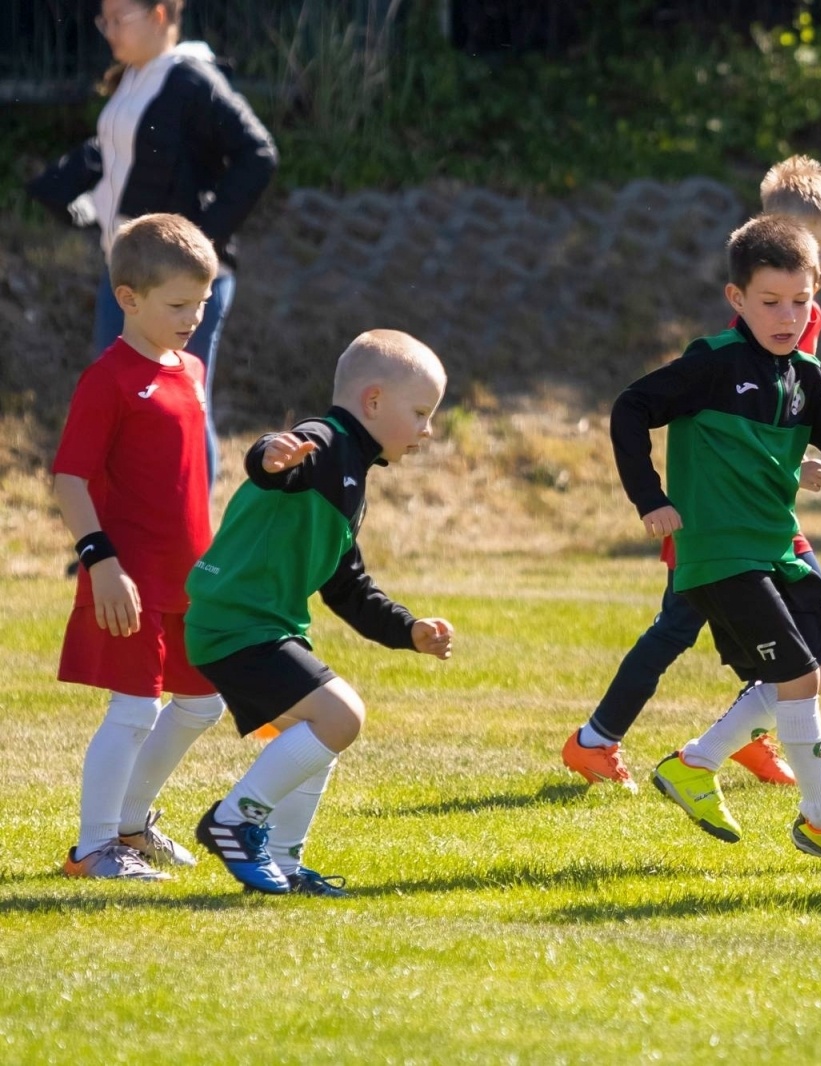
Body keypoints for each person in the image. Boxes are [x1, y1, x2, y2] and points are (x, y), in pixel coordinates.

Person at [564, 155, 821, 793]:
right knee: (681, 624)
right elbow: (714, 412)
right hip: (714, 515)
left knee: (781, 626)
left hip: (760, 512)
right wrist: (657, 498)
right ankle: (599, 741)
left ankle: (736, 737)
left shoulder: (807, 313)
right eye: (811, 245)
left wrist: (794, 454)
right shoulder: (746, 333)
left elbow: (786, 408)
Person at [611, 215, 821, 862]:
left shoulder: (804, 375)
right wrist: (652, 498)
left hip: (779, 550)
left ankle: (696, 764)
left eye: (801, 301)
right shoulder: (712, 365)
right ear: (737, 299)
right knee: (797, 675)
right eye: (770, 302)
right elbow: (630, 409)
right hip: (722, 554)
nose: (787, 316)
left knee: (813, 677)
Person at [184, 330, 454, 895]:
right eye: (422, 412)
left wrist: (409, 630)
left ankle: (282, 860)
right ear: (374, 402)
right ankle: (235, 819)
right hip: (236, 623)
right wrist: (270, 455)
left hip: (253, 626)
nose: (428, 430)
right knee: (342, 717)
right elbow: (273, 456)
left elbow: (347, 585)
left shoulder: (352, 475)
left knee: (318, 738)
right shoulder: (324, 445)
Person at [27, 0, 278, 484]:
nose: (109, 30)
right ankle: (120, 539)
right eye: (104, 19)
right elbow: (118, 159)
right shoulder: (132, 79)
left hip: (176, 286)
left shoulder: (191, 79)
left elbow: (258, 153)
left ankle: (197, 546)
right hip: (127, 272)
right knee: (123, 402)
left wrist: (200, 243)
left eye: (120, 18)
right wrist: (70, 200)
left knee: (183, 402)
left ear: (160, 16)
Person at [53, 213, 227, 882]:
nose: (193, 317)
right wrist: (101, 563)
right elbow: (69, 478)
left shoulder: (192, 369)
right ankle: (93, 848)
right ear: (128, 298)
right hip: (126, 578)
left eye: (202, 303)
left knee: (203, 703)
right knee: (134, 707)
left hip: (191, 581)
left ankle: (132, 823)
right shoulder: (108, 379)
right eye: (178, 305)